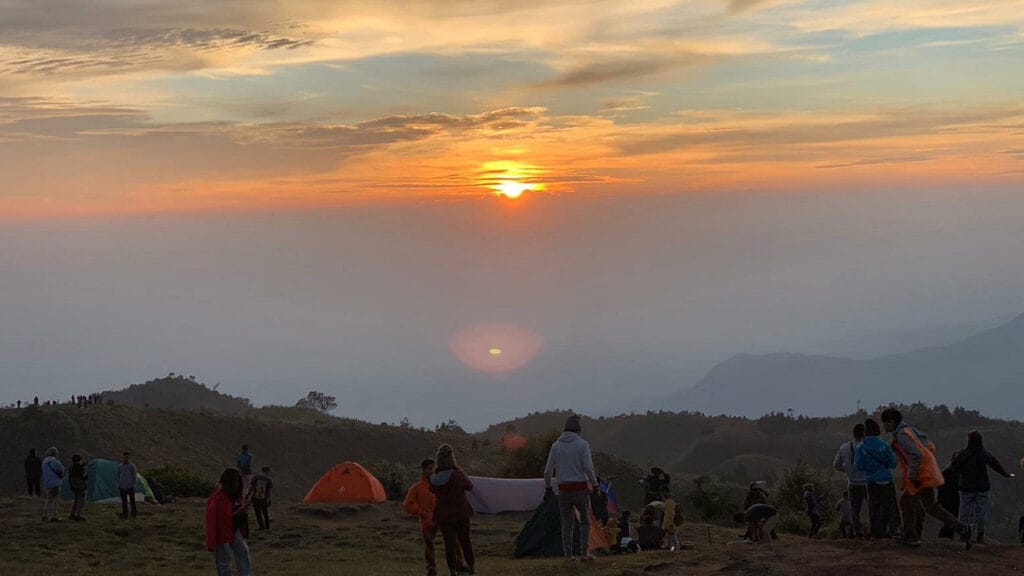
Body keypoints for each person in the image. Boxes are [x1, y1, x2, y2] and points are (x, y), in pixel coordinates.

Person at [881, 407, 972, 547]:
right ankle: (962, 528)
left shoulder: (902, 435)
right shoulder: (910, 431)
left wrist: (912, 474)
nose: (884, 426)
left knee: (906, 502)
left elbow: (916, 455)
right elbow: (930, 446)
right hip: (927, 472)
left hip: (920, 475)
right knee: (931, 507)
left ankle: (910, 536)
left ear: (892, 422)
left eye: (885, 423)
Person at [544, 414, 598, 562]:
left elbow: (547, 471)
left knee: (566, 522)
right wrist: (594, 484)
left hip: (563, 490)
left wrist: (548, 487)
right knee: (585, 521)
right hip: (580, 488)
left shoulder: (556, 446)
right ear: (578, 429)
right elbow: (587, 467)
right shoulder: (582, 445)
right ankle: (584, 553)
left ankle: (568, 555)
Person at [948, 431, 1015, 545]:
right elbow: (995, 464)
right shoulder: (984, 454)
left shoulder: (962, 454)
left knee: (964, 512)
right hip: (982, 487)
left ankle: (963, 535)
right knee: (981, 513)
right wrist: (1006, 474)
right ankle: (980, 536)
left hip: (966, 487)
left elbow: (954, 470)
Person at [405, 458, 466, 576]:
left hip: (444, 517)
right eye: (430, 469)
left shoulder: (441, 484)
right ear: (423, 471)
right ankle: (431, 569)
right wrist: (421, 512)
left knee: (453, 542)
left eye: (434, 468)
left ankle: (459, 566)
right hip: (427, 520)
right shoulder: (417, 487)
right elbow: (408, 504)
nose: (433, 471)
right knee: (429, 546)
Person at [430, 444, 476, 576]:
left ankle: (452, 571)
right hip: (461, 513)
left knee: (449, 544)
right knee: (465, 542)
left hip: (443, 516)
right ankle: (471, 571)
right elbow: (469, 486)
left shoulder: (434, 478)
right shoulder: (458, 475)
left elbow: (432, 490)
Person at [855, 418, 899, 539]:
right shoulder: (884, 445)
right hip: (887, 479)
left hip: (871, 481)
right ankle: (893, 531)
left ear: (865, 432)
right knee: (890, 507)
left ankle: (876, 533)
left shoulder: (860, 448)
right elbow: (893, 463)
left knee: (874, 508)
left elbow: (858, 466)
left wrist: (869, 468)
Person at [206, 468, 253, 576]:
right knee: (224, 560)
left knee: (243, 552)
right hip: (221, 533)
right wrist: (211, 540)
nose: (237, 484)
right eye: (235, 481)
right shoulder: (218, 499)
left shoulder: (233, 496)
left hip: (233, 529)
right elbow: (213, 520)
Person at [833, 423, 868, 537]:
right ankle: (875, 532)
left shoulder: (844, 447)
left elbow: (836, 465)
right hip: (868, 482)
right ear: (865, 433)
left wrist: (848, 470)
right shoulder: (868, 446)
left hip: (852, 483)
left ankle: (858, 533)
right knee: (873, 508)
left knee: (854, 510)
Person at [40, 447, 65, 522]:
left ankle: (45, 515)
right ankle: (55, 516)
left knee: (48, 500)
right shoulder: (54, 461)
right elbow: (62, 468)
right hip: (55, 483)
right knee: (55, 501)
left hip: (47, 483)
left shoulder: (44, 461)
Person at [248, 466, 274, 531]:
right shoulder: (268, 480)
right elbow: (268, 492)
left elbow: (251, 488)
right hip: (263, 499)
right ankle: (267, 526)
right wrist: (269, 499)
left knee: (258, 513)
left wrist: (248, 495)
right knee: (265, 512)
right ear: (267, 472)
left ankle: (261, 526)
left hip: (255, 498)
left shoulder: (256, 477)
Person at [118, 451, 138, 519]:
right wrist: (119, 484)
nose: (125, 459)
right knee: (124, 502)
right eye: (124, 457)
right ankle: (125, 515)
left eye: (127, 457)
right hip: (122, 486)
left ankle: (134, 514)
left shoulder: (132, 466)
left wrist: (133, 484)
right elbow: (118, 475)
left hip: (130, 487)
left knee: (132, 501)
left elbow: (134, 476)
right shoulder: (120, 466)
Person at [69, 455, 88, 521]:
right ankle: (78, 515)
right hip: (81, 486)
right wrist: (86, 470)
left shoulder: (71, 467)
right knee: (81, 501)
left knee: (76, 500)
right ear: (79, 460)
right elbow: (84, 477)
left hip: (74, 486)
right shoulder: (81, 468)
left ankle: (72, 514)